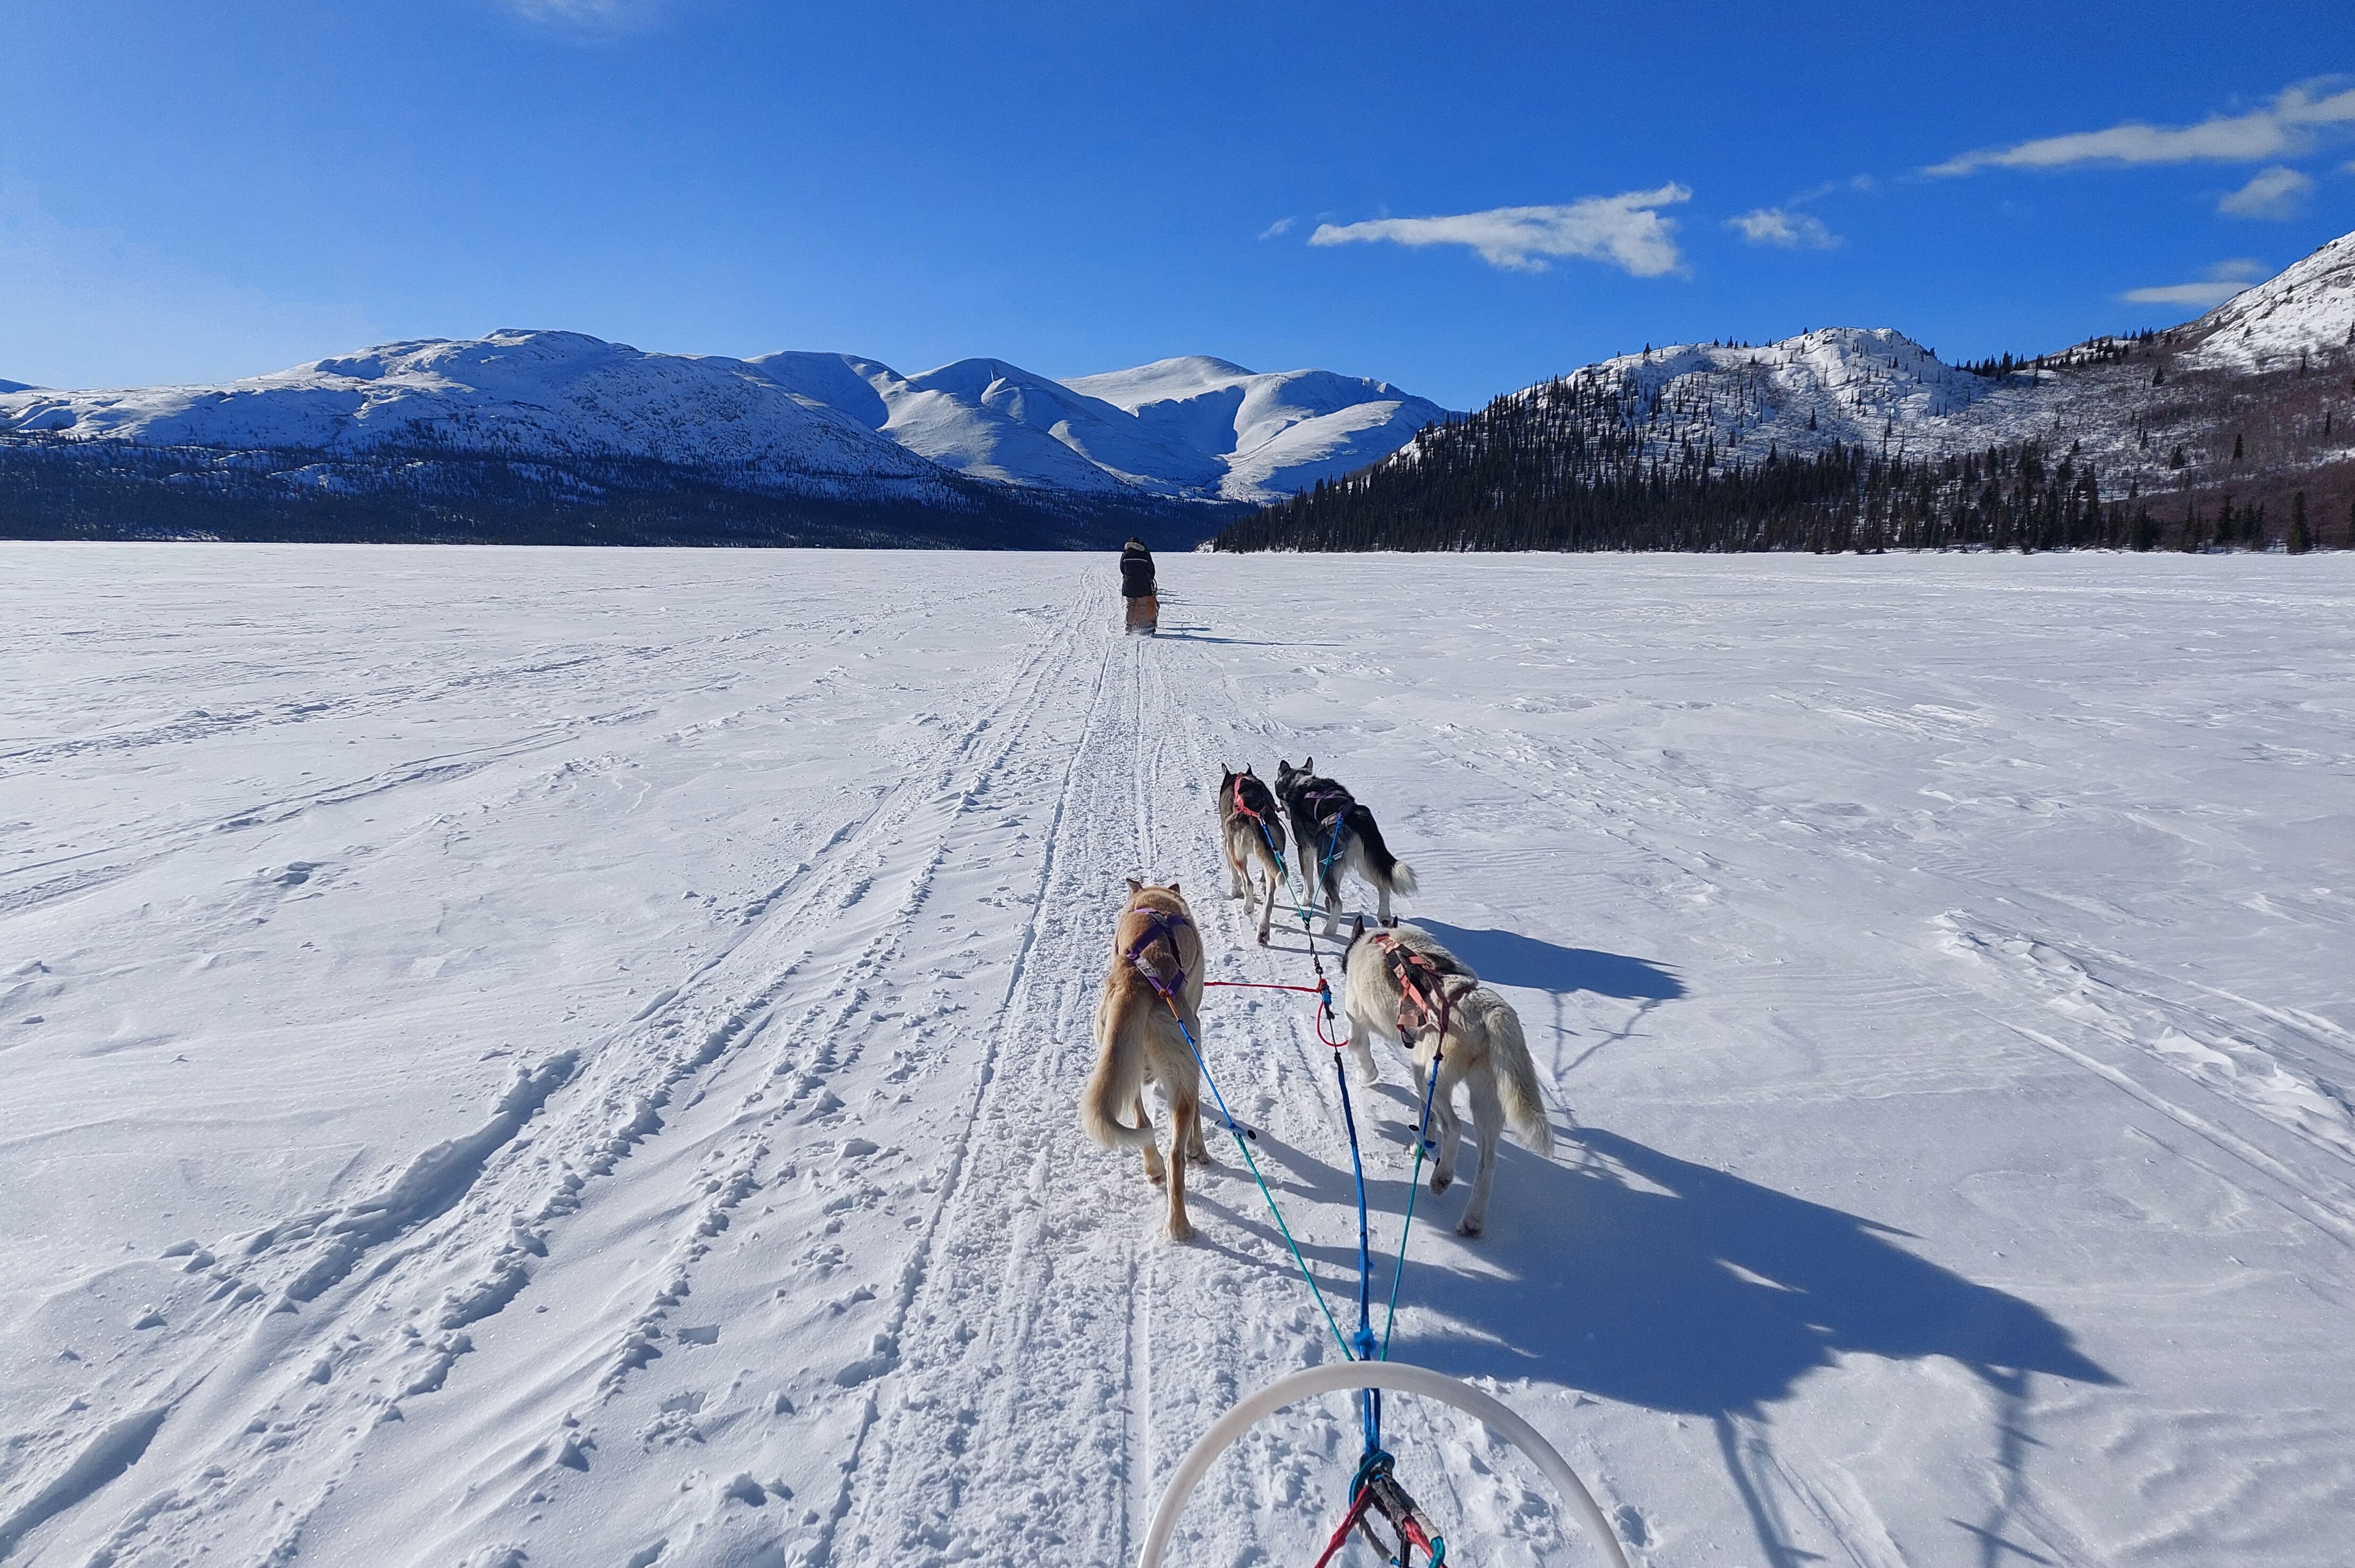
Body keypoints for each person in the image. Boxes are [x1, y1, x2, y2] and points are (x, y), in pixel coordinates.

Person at [1119, 536, 1158, 635]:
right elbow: (1151, 569)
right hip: (1142, 584)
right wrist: (1150, 578)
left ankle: (1129, 627)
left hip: (1129, 583)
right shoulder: (1144, 555)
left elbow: (1122, 569)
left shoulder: (1125, 555)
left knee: (1130, 605)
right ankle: (1143, 626)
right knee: (1142, 605)